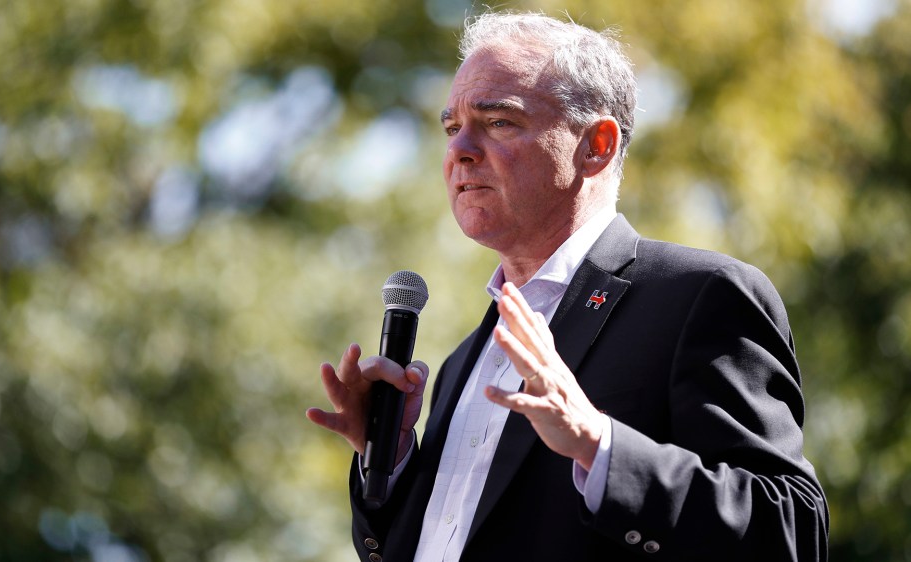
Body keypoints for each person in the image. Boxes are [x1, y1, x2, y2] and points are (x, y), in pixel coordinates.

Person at [307, 11, 828, 561]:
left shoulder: (700, 296)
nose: (459, 149)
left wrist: (599, 444)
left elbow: (789, 529)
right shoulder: (464, 361)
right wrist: (387, 464)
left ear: (596, 145)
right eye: (451, 127)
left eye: (498, 122)